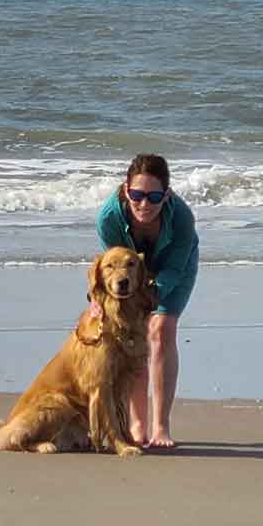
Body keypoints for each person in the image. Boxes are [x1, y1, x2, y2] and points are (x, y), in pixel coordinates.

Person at [96, 152, 199, 449]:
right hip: (129, 270)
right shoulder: (109, 218)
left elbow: (174, 270)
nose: (144, 204)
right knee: (134, 335)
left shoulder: (181, 218)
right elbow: (113, 265)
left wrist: (152, 296)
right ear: (126, 190)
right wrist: (100, 299)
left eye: (154, 196)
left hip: (173, 266)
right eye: (137, 195)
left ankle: (161, 426)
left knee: (161, 329)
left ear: (166, 195)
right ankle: (137, 422)